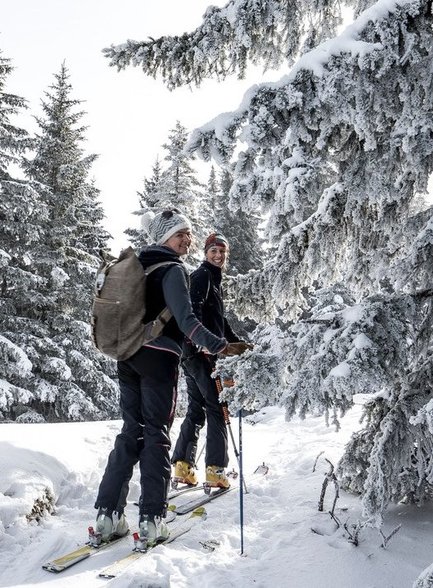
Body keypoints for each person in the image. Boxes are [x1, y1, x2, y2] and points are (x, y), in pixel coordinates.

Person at [93, 211, 233, 550]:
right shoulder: (172, 269)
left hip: (127, 355)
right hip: (158, 359)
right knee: (155, 434)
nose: (186, 239)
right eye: (179, 234)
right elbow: (186, 320)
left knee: (131, 431)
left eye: (188, 233)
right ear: (164, 237)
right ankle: (152, 519)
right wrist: (220, 345)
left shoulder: (140, 265)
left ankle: (107, 515)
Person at [171, 233, 251, 490]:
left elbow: (220, 323)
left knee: (197, 407)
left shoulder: (213, 281)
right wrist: (204, 344)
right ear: (205, 253)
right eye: (213, 251)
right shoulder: (202, 276)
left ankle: (183, 466)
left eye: (222, 252)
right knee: (217, 407)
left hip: (194, 354)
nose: (218, 256)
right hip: (199, 353)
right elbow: (190, 313)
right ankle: (216, 470)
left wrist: (239, 345)